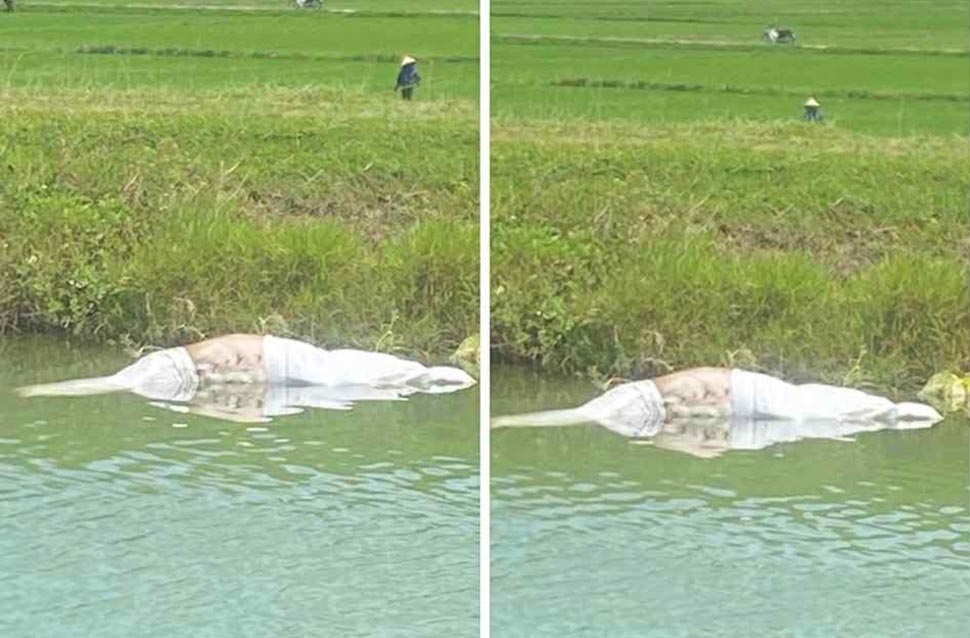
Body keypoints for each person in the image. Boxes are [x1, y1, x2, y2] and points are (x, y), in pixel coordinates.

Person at [492, 367, 942, 440]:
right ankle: (504, 423)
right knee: (588, 416)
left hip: (743, 398)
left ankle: (504, 423)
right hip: (744, 397)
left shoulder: (817, 404)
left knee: (587, 416)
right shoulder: (821, 405)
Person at [17, 333, 476, 402]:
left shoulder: (374, 370)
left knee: (124, 382)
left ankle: (36, 393)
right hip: (282, 361)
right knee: (126, 382)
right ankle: (36, 393)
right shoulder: (372, 372)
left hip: (279, 360)